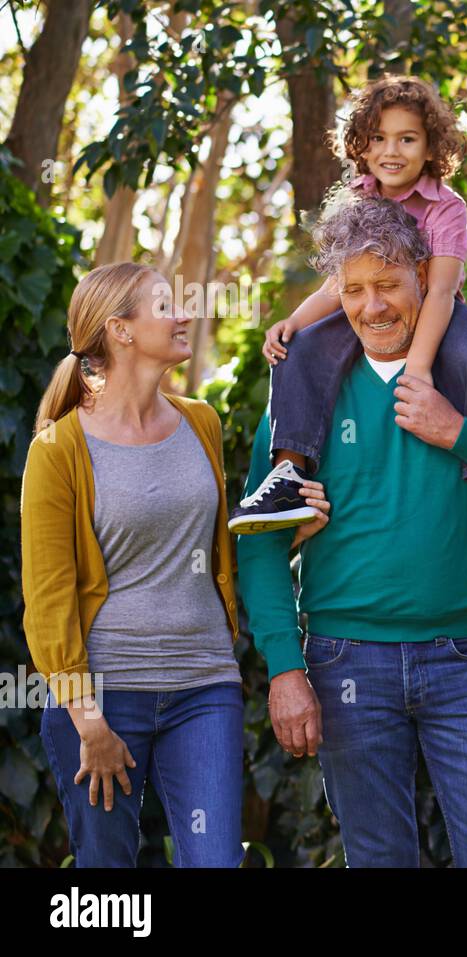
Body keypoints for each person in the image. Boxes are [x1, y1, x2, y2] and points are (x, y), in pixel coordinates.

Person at [237, 190, 467, 867]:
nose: (372, 306)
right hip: (345, 661)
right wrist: (284, 668)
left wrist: (461, 434)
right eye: (355, 288)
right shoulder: (304, 392)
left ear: (422, 278)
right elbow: (261, 543)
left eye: (389, 285)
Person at [21, 263, 323, 866]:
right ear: (121, 330)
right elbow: (48, 600)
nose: (185, 314)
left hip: (203, 686)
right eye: (165, 306)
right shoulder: (58, 450)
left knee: (215, 859)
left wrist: (296, 535)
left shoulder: (200, 422)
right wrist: (88, 721)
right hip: (104, 697)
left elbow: (207, 558)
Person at [230, 74, 467, 566]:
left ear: (430, 145)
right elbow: (341, 284)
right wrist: (294, 319)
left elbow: (438, 290)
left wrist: (418, 364)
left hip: (434, 310)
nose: (392, 151)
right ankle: (289, 473)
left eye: (407, 138)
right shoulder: (359, 197)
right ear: (361, 146)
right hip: (374, 310)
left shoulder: (446, 207)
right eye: (379, 138)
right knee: (299, 346)